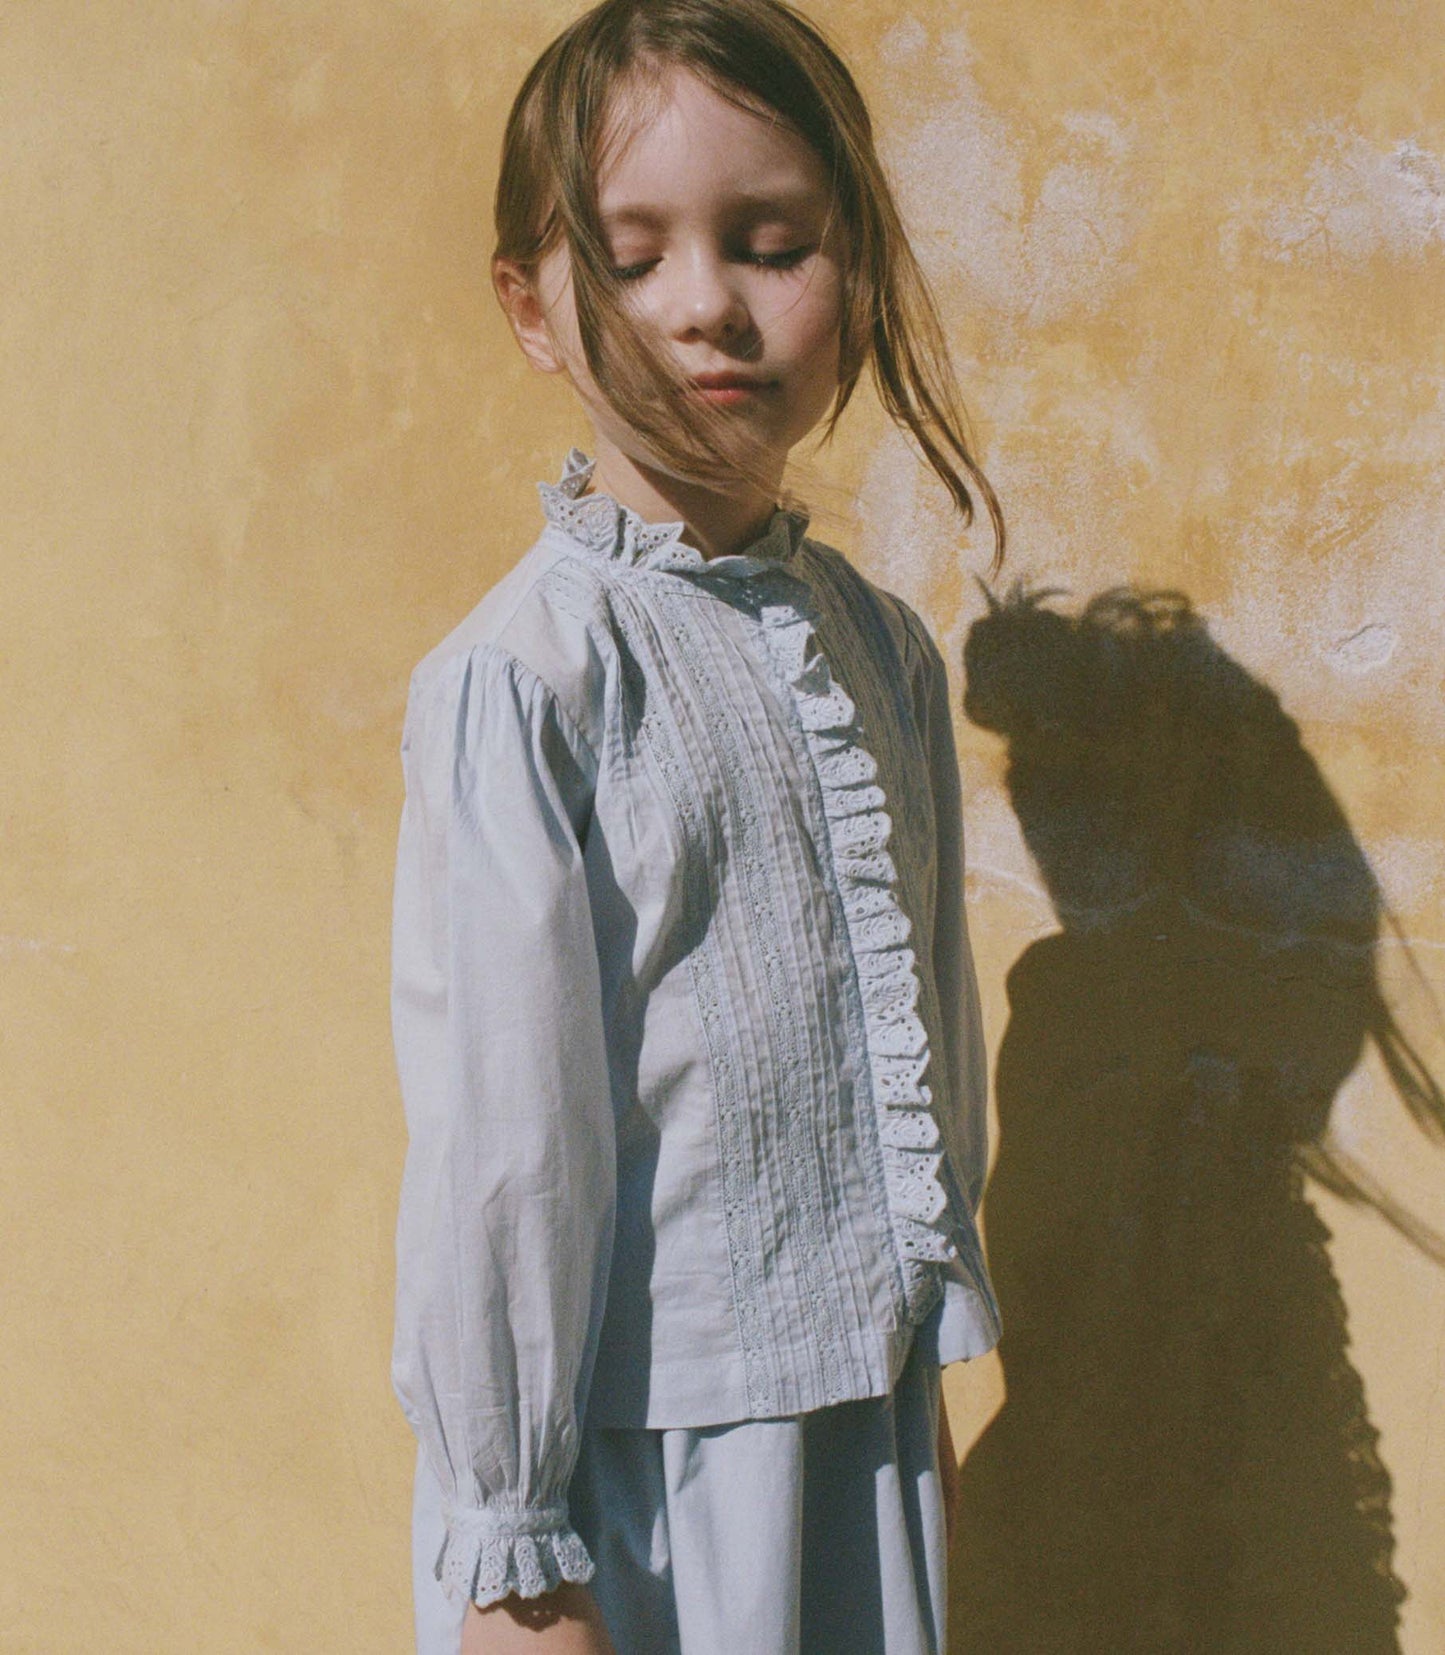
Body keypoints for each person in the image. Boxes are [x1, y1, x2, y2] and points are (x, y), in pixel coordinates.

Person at [388, 3, 1006, 1650]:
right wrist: (517, 1547)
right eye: (635, 253)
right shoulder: (522, 679)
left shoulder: (877, 647)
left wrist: (916, 1368)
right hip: (639, 1473)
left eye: (773, 242)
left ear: (856, 269)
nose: (708, 308)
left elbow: (926, 1048)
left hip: (862, 1436)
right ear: (534, 307)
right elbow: (505, 1146)